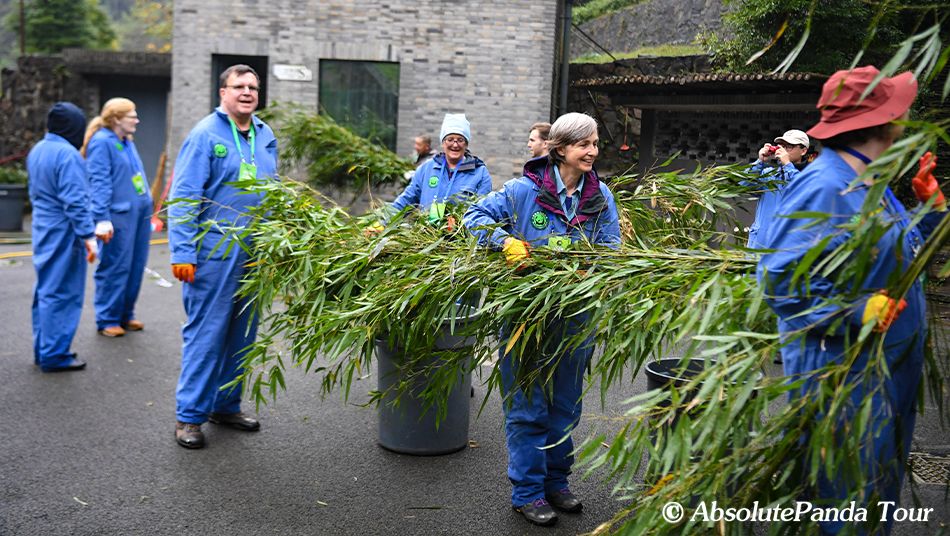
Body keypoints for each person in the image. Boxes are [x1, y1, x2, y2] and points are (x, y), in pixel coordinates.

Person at [757, 66, 944, 534]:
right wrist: (856, 312)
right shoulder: (824, 184)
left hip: (881, 370)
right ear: (881, 123)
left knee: (872, 494)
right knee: (846, 502)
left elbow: (901, 256)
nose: (904, 120)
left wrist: (931, 210)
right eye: (898, 112)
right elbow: (781, 280)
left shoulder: (868, 183)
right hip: (844, 375)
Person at [463, 112, 621, 527]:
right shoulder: (521, 191)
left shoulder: (601, 195)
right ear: (561, 148)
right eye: (584, 144)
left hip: (574, 316)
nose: (592, 151)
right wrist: (505, 242)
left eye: (595, 143)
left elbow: (611, 248)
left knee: (566, 404)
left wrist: (593, 269)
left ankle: (557, 482)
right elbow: (473, 219)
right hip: (525, 315)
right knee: (528, 404)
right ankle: (528, 492)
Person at [168, 64, 279, 449]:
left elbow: (273, 192)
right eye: (239, 86)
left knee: (243, 334)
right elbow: (183, 198)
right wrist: (183, 252)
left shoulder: (265, 135)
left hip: (256, 252)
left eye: (253, 86)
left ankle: (225, 404)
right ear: (223, 92)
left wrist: (279, 242)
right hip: (215, 252)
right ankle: (189, 416)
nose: (247, 92)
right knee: (206, 333)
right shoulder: (204, 135)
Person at [27, 102, 101, 372]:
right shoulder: (68, 154)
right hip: (64, 231)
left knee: (46, 290)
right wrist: (88, 235)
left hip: (43, 227)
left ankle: (43, 349)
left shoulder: (39, 149)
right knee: (63, 292)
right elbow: (75, 201)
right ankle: (55, 354)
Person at [81, 98, 152, 338]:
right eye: (132, 115)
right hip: (118, 216)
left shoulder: (126, 141)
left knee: (135, 265)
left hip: (138, 214)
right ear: (116, 118)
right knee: (115, 266)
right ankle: (108, 318)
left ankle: (126, 313)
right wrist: (101, 217)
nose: (137, 120)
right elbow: (98, 182)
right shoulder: (101, 142)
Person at [386, 114, 491, 227]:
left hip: (460, 240)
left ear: (466, 143)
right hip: (425, 237)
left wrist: (461, 225)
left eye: (460, 140)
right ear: (443, 142)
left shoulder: (480, 173)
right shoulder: (427, 168)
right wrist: (383, 221)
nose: (455, 145)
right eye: (450, 139)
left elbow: (483, 211)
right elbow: (407, 199)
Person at [745, 129, 810, 249]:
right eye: (782, 146)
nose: (784, 150)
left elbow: (802, 190)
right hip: (759, 245)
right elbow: (743, 185)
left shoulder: (810, 176)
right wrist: (760, 162)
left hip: (788, 248)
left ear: (803, 150)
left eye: (789, 146)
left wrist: (788, 165)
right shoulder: (768, 174)